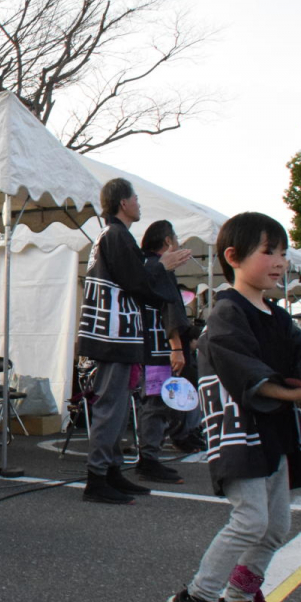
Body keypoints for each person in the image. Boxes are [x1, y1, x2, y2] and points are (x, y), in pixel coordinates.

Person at [165, 212, 301, 602]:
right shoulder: (227, 313)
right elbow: (250, 375)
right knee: (250, 519)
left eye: (283, 252)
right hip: (240, 431)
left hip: (273, 429)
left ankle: (238, 599)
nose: (280, 261)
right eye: (268, 251)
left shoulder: (278, 316)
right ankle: (196, 599)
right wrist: (300, 394)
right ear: (233, 257)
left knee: (276, 525)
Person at [76, 178, 191, 505]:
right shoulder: (115, 236)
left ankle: (111, 470)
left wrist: (157, 268)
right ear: (123, 203)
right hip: (111, 335)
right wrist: (161, 266)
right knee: (111, 409)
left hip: (116, 334)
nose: (139, 203)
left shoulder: (111, 237)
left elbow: (134, 282)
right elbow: (136, 283)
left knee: (117, 407)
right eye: (135, 198)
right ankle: (96, 477)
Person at [133, 220, 190, 484]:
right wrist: (177, 346)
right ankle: (149, 460)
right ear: (168, 241)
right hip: (158, 345)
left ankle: (149, 457)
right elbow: (171, 307)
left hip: (141, 342)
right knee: (156, 403)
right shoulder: (160, 267)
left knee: (151, 402)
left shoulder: (141, 266)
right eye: (175, 238)